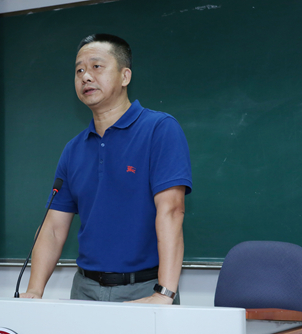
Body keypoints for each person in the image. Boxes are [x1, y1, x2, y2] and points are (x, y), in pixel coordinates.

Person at [20, 34, 192, 304]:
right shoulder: (73, 149)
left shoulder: (159, 129)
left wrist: (164, 293)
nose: (86, 77)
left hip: (145, 289)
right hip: (85, 290)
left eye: (96, 66)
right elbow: (53, 227)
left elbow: (171, 211)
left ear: (125, 76)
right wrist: (34, 291)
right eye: (79, 70)